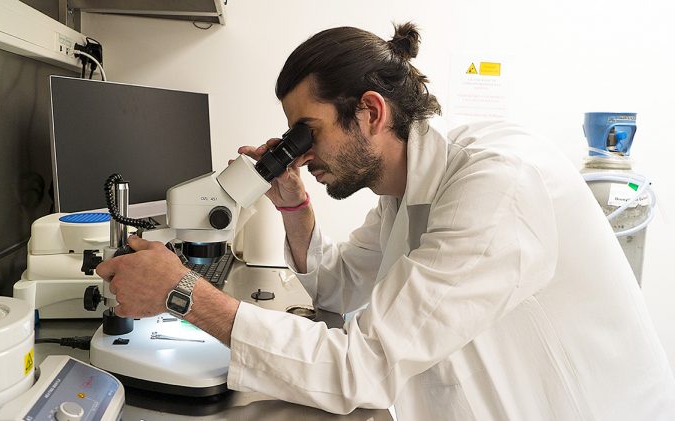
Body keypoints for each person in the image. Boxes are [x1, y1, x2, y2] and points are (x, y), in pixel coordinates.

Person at [97, 23, 675, 420]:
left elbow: (362, 367)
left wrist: (183, 293)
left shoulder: (495, 188)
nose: (301, 152)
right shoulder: (407, 191)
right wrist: (293, 204)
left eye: (308, 132)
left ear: (371, 112)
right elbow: (339, 284)